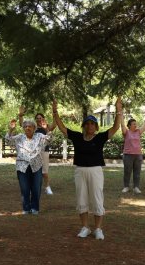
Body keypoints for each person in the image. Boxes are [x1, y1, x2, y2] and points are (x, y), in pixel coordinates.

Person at [52, 97, 122, 240]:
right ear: (83, 126)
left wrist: (119, 111)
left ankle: (98, 229)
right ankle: (85, 227)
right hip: (80, 171)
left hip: (95, 171)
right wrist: (55, 111)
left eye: (92, 124)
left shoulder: (100, 138)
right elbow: (62, 127)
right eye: (87, 124)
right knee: (81, 198)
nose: (90, 126)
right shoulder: (77, 137)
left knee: (97, 198)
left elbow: (115, 128)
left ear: (96, 127)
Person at [6, 118, 49, 214]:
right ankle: (26, 208)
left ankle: (35, 208)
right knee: (24, 188)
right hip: (22, 166)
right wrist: (11, 130)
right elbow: (8, 141)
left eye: (30, 126)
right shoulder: (19, 137)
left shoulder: (39, 136)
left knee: (36, 188)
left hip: (37, 166)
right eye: (25, 127)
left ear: (34, 128)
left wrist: (46, 129)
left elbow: (49, 139)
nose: (27, 128)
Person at [18, 106, 57, 195]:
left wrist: (55, 114)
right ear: (35, 120)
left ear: (43, 119)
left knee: (45, 172)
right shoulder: (33, 127)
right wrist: (20, 115)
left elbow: (54, 126)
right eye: (37, 118)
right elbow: (22, 124)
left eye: (41, 118)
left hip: (44, 151)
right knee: (33, 170)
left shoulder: (46, 127)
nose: (39, 119)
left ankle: (47, 187)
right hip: (34, 152)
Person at [120, 109, 145, 194]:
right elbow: (122, 125)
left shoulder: (138, 132)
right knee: (127, 171)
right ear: (129, 125)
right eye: (134, 124)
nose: (136, 125)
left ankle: (136, 187)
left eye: (136, 124)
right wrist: (120, 115)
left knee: (137, 172)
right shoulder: (126, 132)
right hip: (128, 155)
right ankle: (126, 187)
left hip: (138, 155)